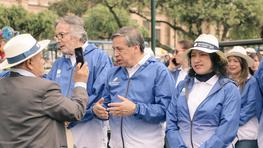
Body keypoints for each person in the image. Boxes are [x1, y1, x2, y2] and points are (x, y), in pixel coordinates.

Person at [0, 34, 89, 147]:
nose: (43, 61)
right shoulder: (44, 88)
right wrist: (80, 82)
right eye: (41, 57)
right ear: (30, 63)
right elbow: (76, 111)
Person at [93, 26, 175, 148]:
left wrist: (136, 109)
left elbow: (166, 111)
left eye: (120, 49)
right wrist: (98, 110)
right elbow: (106, 103)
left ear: (135, 48)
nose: (115, 54)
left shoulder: (159, 71)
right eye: (114, 49)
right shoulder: (113, 72)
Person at [46, 14, 112, 148]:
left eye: (61, 35)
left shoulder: (99, 58)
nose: (58, 40)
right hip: (60, 130)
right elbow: (48, 93)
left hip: (90, 130)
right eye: (56, 36)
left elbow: (101, 96)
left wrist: (73, 116)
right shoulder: (58, 63)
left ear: (77, 34)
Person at [166, 34, 241, 148]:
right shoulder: (182, 86)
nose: (196, 60)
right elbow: (171, 122)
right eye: (193, 55)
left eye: (203, 54)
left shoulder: (229, 89)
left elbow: (227, 130)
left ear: (215, 58)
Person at [226, 46, 260, 148]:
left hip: (246, 134)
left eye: (235, 61)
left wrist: (229, 123)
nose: (231, 64)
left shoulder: (252, 82)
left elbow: (250, 108)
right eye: (229, 61)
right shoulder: (225, 82)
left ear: (243, 63)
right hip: (228, 133)